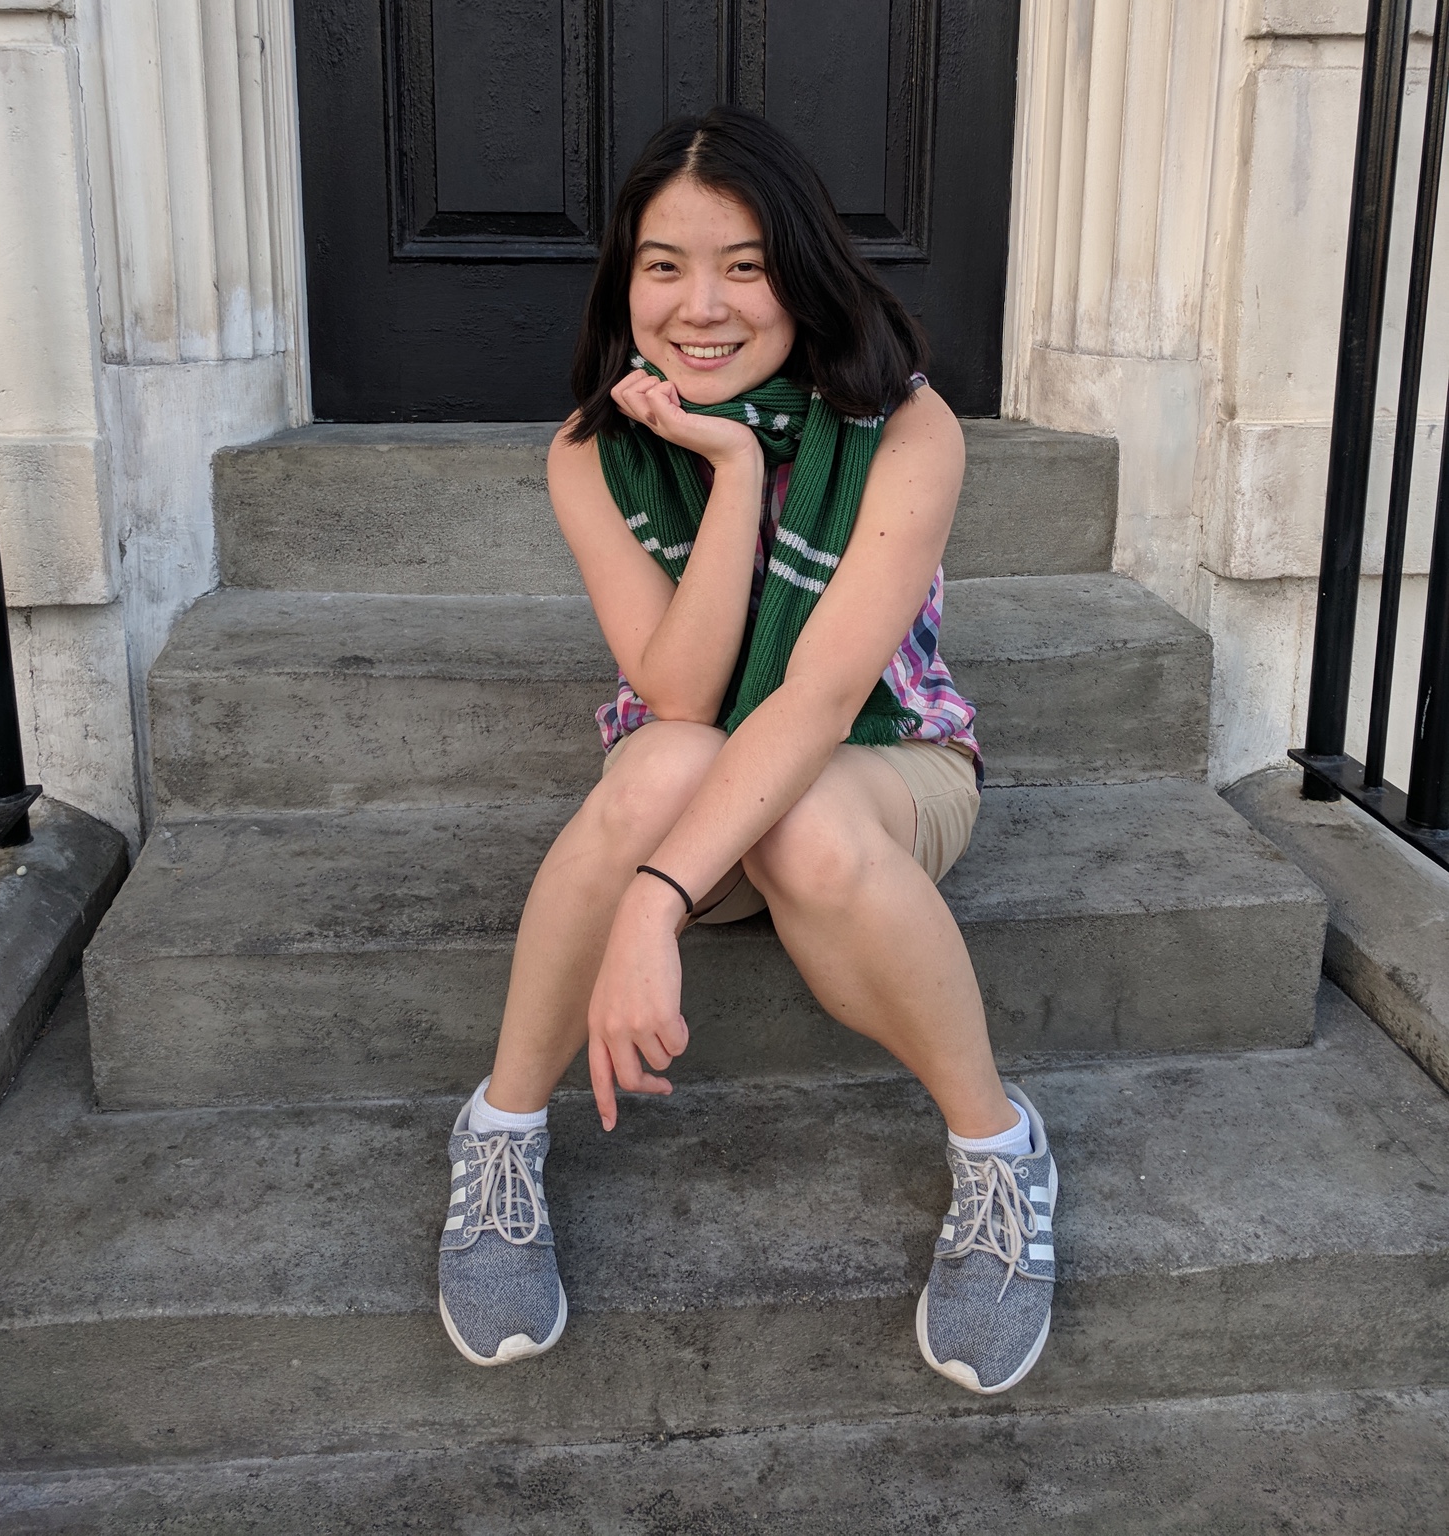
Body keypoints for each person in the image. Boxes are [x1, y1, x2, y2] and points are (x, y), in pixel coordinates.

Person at [437, 108, 1056, 1395]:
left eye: (745, 263)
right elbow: (678, 689)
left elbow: (823, 696)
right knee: (667, 758)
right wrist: (726, 474)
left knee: (806, 814)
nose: (700, 303)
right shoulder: (590, 455)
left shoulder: (905, 426)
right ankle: (499, 1135)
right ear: (626, 280)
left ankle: (1000, 1153)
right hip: (690, 770)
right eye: (664, 264)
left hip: (888, 765)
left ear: (803, 270)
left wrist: (653, 905)